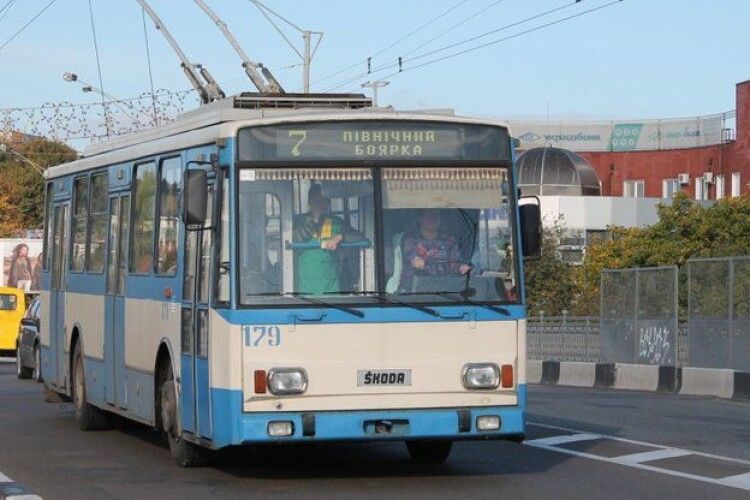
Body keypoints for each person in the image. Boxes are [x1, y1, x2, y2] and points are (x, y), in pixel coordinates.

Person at [293, 184, 361, 295]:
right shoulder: (299, 221)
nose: (320, 204)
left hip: (331, 292)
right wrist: (314, 220)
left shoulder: (335, 222)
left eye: (323, 200)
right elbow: (296, 240)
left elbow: (359, 237)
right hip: (305, 293)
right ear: (309, 203)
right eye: (316, 201)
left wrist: (340, 237)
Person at [400, 209, 470, 290]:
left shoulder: (449, 240)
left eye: (436, 216)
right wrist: (417, 260)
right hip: (416, 288)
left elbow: (454, 263)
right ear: (420, 218)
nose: (433, 219)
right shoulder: (411, 239)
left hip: (444, 288)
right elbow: (411, 255)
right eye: (429, 216)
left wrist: (462, 267)